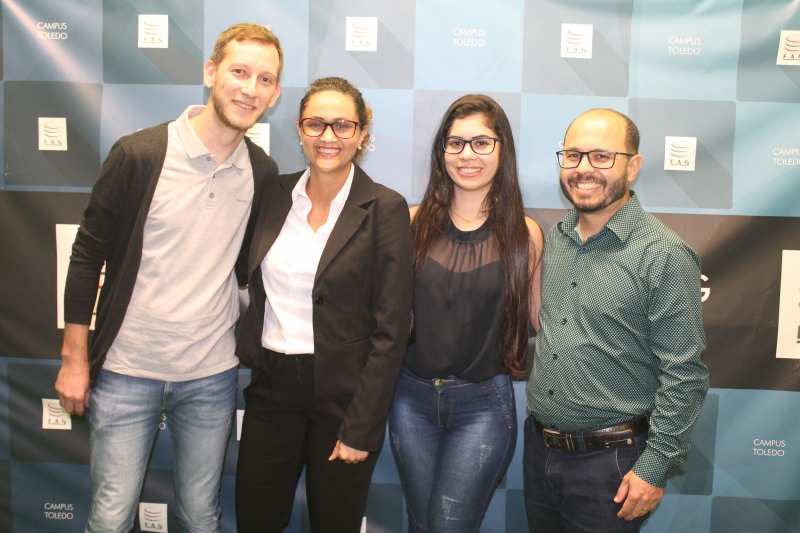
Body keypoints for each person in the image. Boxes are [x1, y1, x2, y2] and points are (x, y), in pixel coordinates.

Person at [54, 23, 282, 533]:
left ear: (274, 94)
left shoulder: (261, 172)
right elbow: (87, 256)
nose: (250, 88)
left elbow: (250, 269)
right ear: (211, 72)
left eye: (265, 79)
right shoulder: (140, 154)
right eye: (239, 71)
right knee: (110, 518)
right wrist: (74, 359)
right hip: (126, 371)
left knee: (201, 516)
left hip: (210, 375)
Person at [234, 77, 414, 533]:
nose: (328, 136)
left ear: (362, 132)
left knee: (335, 523)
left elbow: (392, 330)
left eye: (342, 125)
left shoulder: (385, 208)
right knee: (256, 519)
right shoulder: (272, 194)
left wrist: (362, 426)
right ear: (299, 129)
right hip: (272, 387)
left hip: (344, 397)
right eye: (315, 124)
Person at [523, 108, 709, 533]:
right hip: (540, 452)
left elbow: (685, 373)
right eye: (573, 156)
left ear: (633, 166)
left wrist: (654, 466)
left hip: (613, 465)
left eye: (602, 156)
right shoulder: (557, 238)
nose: (583, 168)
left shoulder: (663, 255)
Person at [388, 94, 543, 532]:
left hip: (484, 405)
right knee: (420, 523)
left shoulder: (525, 234)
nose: (467, 155)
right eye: (455, 143)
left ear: (502, 149)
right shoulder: (410, 223)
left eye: (481, 143)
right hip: (409, 400)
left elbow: (540, 322)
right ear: (442, 151)